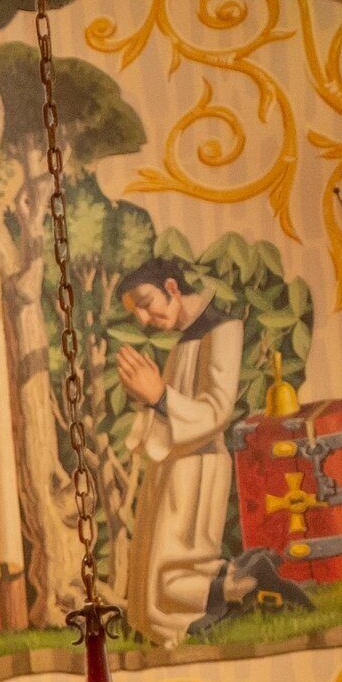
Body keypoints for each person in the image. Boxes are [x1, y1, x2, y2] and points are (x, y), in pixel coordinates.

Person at [112, 259, 244, 649]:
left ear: (172, 286)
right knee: (154, 572)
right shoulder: (186, 338)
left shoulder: (223, 329)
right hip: (173, 464)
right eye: (134, 311)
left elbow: (217, 409)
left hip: (199, 466)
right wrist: (151, 400)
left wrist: (158, 395)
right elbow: (168, 407)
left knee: (176, 569)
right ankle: (227, 598)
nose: (142, 317)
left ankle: (246, 589)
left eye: (144, 302)